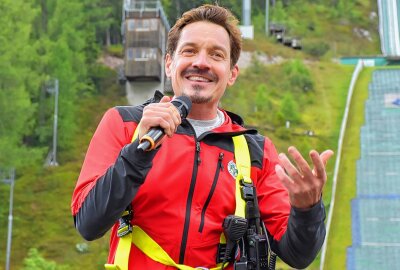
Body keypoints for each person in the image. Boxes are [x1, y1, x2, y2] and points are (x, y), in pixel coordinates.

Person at [71, 4, 333, 270]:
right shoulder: (125, 125)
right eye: (189, 51)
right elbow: (88, 223)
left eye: (216, 55)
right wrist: (137, 153)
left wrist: (307, 209)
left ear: (232, 73)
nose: (201, 63)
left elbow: (298, 255)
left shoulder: (257, 152)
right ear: (169, 62)